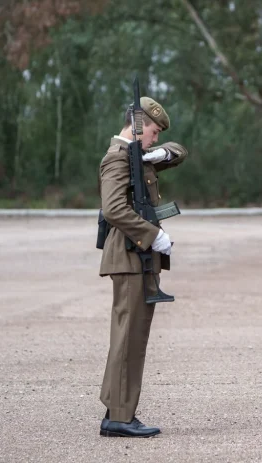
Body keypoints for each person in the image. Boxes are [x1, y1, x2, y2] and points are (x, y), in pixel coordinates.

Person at [98, 97, 187, 437]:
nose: (155, 138)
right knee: (128, 337)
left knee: (133, 336)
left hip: (139, 258)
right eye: (152, 132)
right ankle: (119, 417)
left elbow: (179, 151)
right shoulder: (117, 159)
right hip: (130, 256)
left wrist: (162, 154)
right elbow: (114, 210)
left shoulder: (138, 157)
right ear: (136, 126)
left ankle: (118, 408)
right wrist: (154, 236)